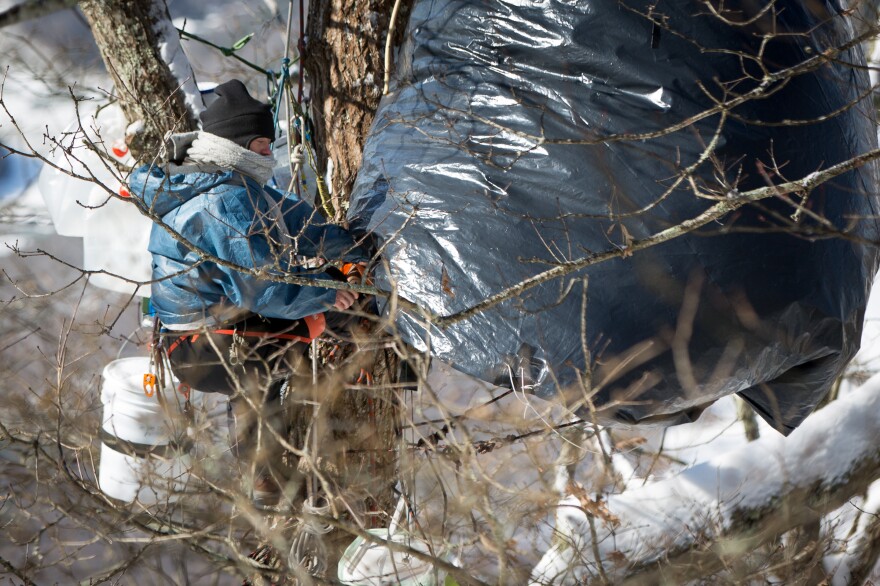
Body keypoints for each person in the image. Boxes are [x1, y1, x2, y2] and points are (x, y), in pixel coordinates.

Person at [129, 79, 368, 506]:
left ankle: (265, 479)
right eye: (261, 145)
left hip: (197, 339)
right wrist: (330, 292)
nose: (269, 155)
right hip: (207, 348)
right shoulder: (224, 200)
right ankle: (273, 475)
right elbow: (266, 289)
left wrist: (351, 249)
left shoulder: (232, 186)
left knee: (301, 337)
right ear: (235, 145)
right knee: (324, 322)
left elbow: (300, 225)